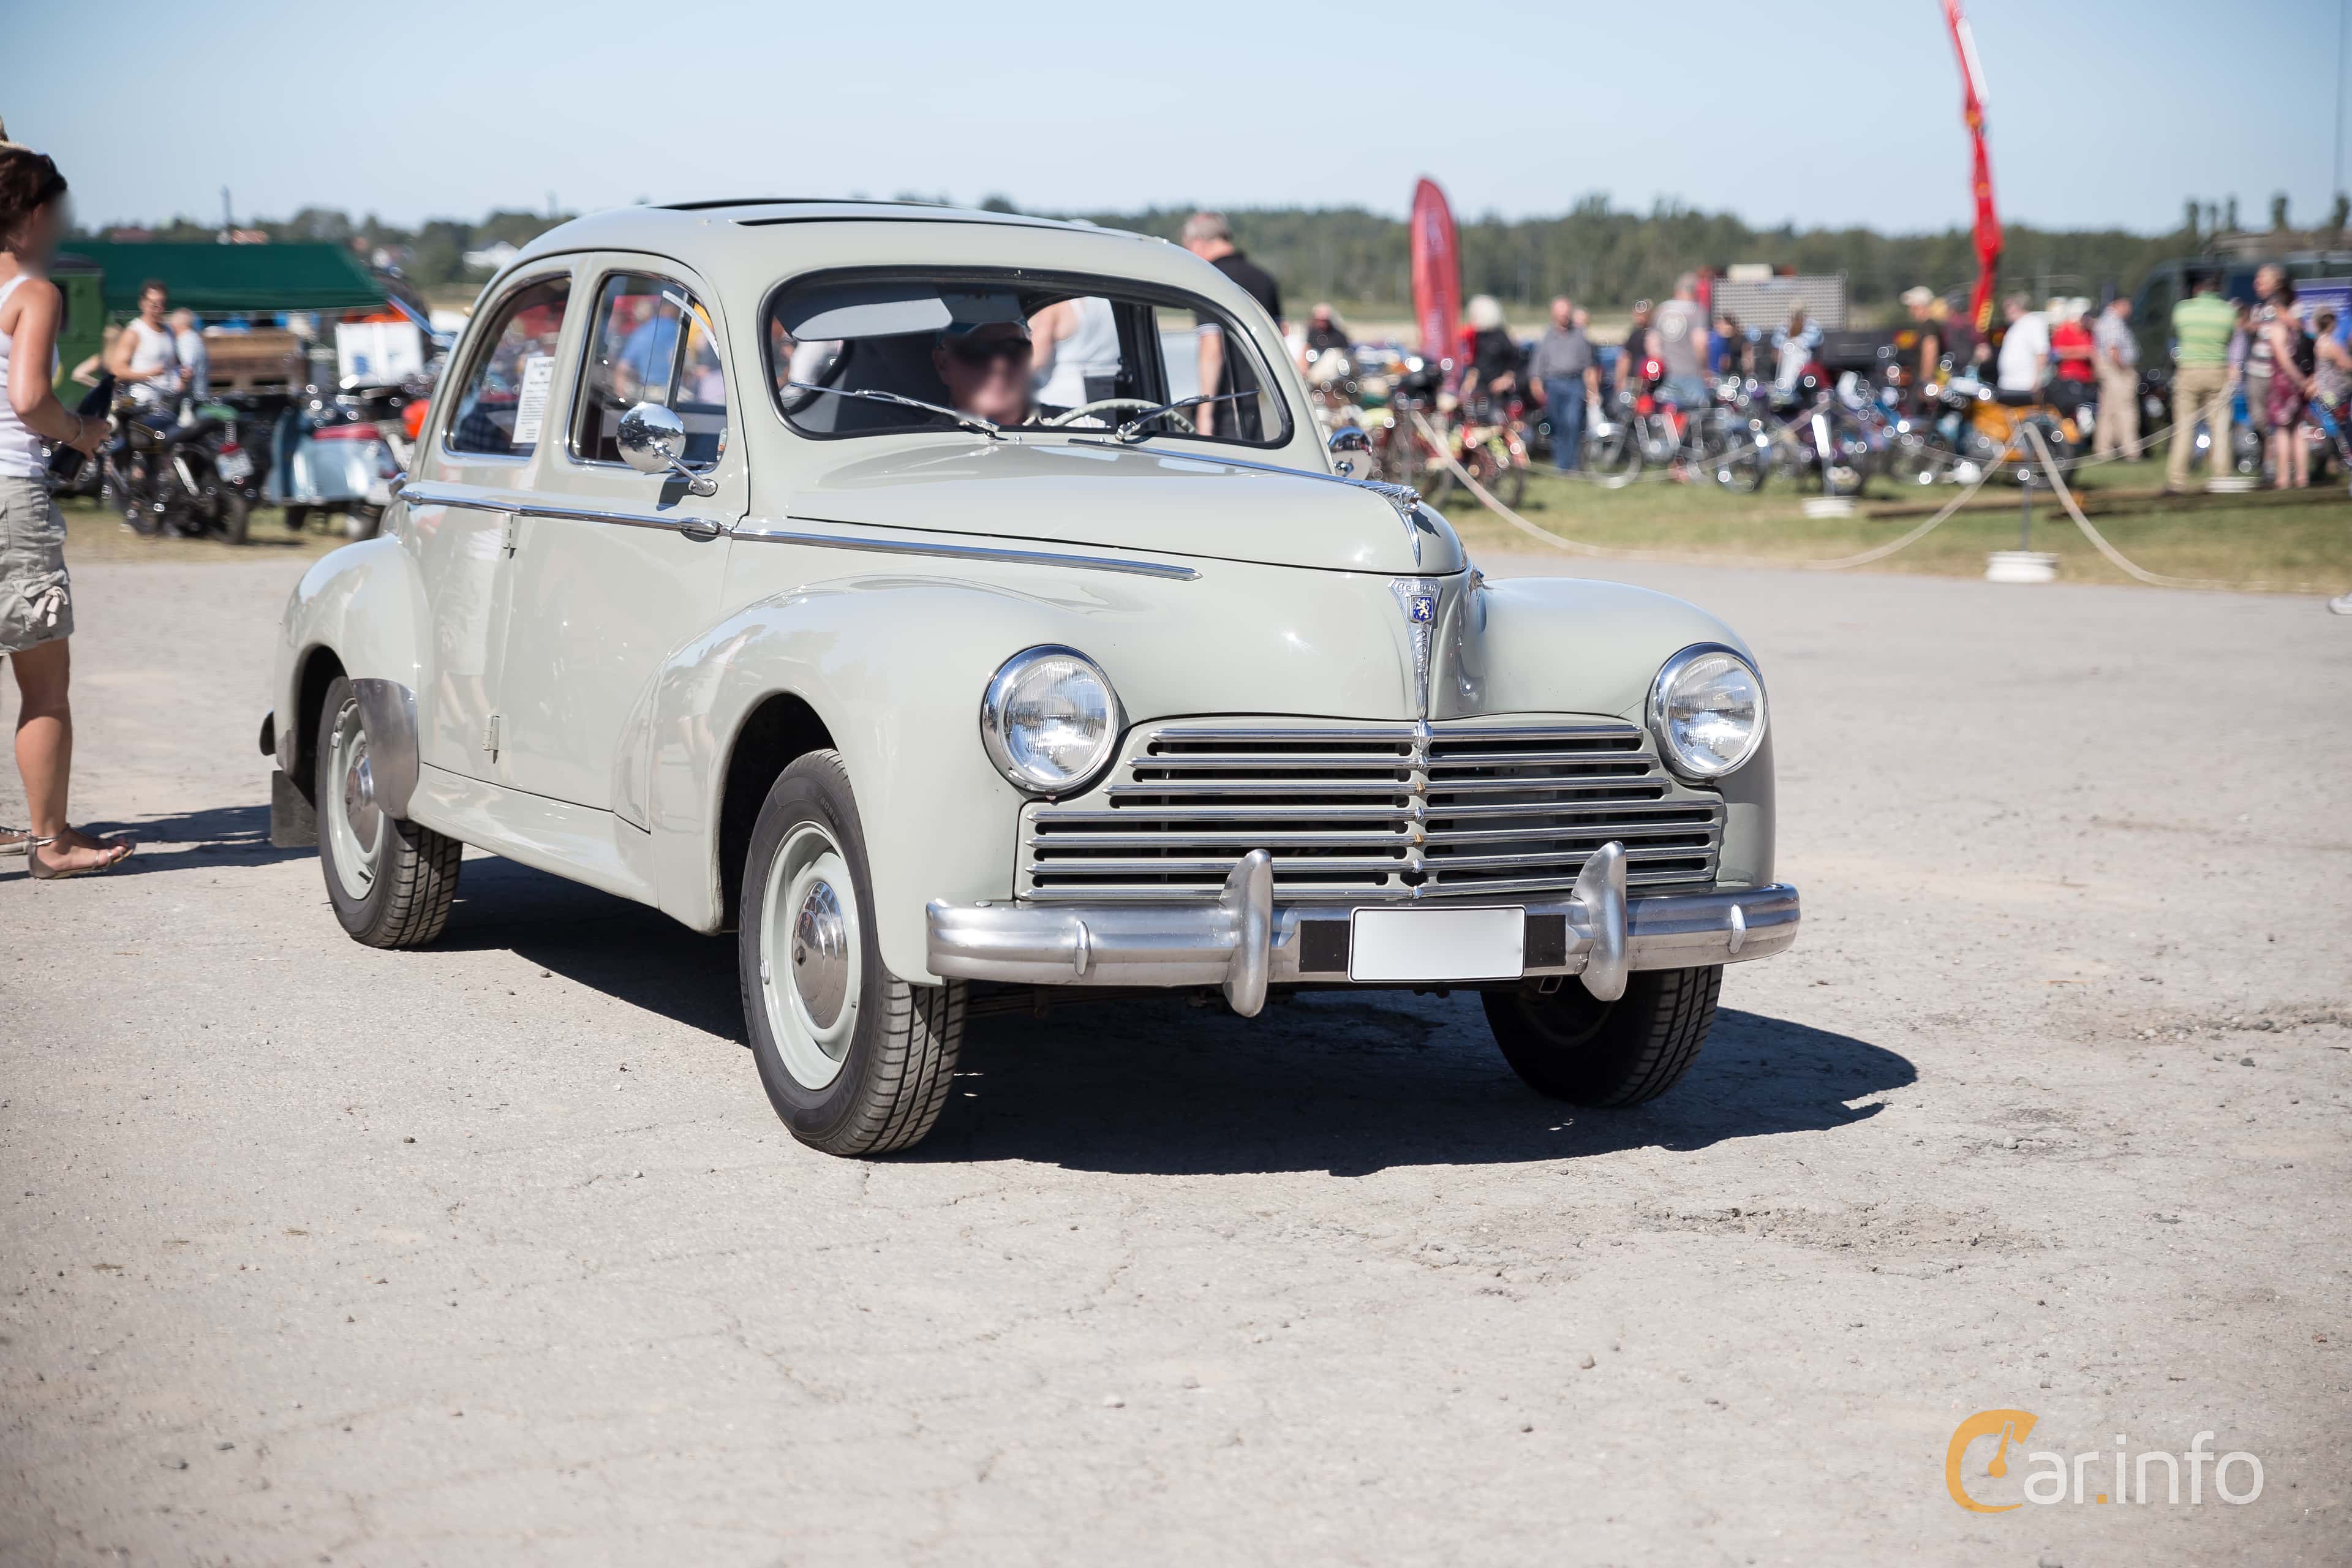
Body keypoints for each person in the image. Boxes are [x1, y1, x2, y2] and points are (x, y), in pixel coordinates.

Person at [0, 129, 132, 877]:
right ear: (29, 219)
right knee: (44, 687)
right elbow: (27, 399)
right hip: (10, 494)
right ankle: (51, 841)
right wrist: (82, 430)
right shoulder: (33, 293)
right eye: (56, 211)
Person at [1181, 212, 1282, 438]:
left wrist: (1205, 413)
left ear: (1197, 243)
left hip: (1227, 406)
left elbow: (1212, 348)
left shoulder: (1210, 279)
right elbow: (1280, 339)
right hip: (1271, 406)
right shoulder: (1264, 279)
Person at [2165, 268, 2237, 494]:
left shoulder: (2182, 310)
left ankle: (2177, 479)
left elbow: (2177, 333)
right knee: (2220, 427)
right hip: (2217, 369)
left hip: (2188, 370)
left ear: (2197, 288)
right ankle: (2222, 475)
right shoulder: (2228, 312)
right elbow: (2229, 340)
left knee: (2184, 427)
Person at [1528, 295, 1599, 472]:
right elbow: (1537, 366)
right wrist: (1536, 385)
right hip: (1554, 384)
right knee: (1559, 425)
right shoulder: (1547, 337)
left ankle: (1573, 463)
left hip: (1574, 384)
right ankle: (1562, 465)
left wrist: (1593, 391)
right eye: (1560, 313)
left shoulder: (1579, 336)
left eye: (1566, 313)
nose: (1564, 317)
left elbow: (1589, 367)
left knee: (1572, 422)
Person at [932, 319, 1039, 427]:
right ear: (943, 364)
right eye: (978, 350)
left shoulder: (1056, 429)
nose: (1001, 366)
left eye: (1015, 349)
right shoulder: (925, 441)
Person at [2258, 281, 2313, 490]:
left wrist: (2298, 379)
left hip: (2284, 384)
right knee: (2299, 428)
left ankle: (2283, 478)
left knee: (2283, 431)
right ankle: (2302, 477)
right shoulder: (2299, 327)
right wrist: (2306, 379)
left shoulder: (2278, 328)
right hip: (2300, 383)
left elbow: (2283, 359)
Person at [1029, 293, 1121, 409]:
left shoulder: (1054, 307)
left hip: (1063, 397)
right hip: (1112, 391)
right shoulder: (1112, 303)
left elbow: (1037, 359)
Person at [105, 278, 182, 411]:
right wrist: (148, 374)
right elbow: (117, 371)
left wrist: (185, 378)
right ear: (143, 303)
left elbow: (175, 367)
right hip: (142, 406)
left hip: (168, 404)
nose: (158, 309)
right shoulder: (134, 332)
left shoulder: (170, 331)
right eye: (153, 305)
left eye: (162, 304)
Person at [1652, 272, 1711, 413]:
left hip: (1666, 373)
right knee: (1698, 415)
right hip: (1691, 371)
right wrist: (1703, 368)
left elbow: (1653, 344)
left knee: (1667, 415)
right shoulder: (1697, 311)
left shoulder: (1661, 310)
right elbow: (1700, 342)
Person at [2092, 296, 2141, 460]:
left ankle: (2103, 449)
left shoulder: (2105, 321)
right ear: (2118, 304)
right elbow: (2113, 349)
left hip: (2110, 371)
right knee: (2126, 410)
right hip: (2117, 371)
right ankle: (2131, 450)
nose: (2130, 310)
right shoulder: (2113, 322)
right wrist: (2124, 368)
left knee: (2108, 412)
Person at [1457, 295, 1521, 410]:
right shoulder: (1478, 337)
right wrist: (1468, 384)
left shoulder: (1501, 337)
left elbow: (1514, 360)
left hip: (1499, 393)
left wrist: (1505, 379)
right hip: (1481, 390)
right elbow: (1476, 364)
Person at [1994, 292, 2048, 396]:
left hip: (2025, 385)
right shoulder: (2015, 326)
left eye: (2008, 307)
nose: (2005, 311)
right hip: (2008, 384)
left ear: (2017, 307)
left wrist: (2037, 382)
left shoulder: (2033, 322)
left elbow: (2041, 354)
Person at [2048, 298, 2095, 415]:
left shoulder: (2088, 331)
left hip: (2086, 379)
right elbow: (2055, 353)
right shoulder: (2065, 329)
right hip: (2069, 378)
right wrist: (2081, 353)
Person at [168, 306, 208, 404]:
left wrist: (173, 397)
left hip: (189, 400)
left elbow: (186, 370)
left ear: (177, 324)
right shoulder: (195, 338)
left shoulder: (185, 340)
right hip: (200, 395)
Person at [1615, 299, 1655, 395]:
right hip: (1635, 380)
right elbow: (1625, 358)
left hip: (1652, 380)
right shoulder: (1634, 335)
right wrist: (1621, 379)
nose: (1640, 318)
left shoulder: (1655, 334)